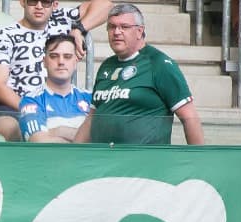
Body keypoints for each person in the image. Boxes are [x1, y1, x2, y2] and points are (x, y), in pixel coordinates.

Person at [74, 3, 203, 145]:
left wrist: (197, 160)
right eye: (112, 27)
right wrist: (74, 155)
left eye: (124, 27)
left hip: (144, 163)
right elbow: (92, 117)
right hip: (104, 161)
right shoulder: (106, 66)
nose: (116, 32)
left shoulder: (159, 64)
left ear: (140, 31)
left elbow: (189, 117)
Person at [0, 0, 109, 141]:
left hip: (58, 101)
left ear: (54, 5)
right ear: (22, 2)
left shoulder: (62, 20)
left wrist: (79, 28)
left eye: (46, 2)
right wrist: (33, 111)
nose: (39, 6)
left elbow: (105, 5)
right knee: (9, 127)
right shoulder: (3, 36)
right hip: (12, 106)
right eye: (32, 1)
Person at [18, 34, 91, 142]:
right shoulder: (31, 100)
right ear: (44, 62)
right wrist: (82, 137)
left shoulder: (90, 98)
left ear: (75, 61)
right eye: (54, 56)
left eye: (67, 56)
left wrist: (58, 131)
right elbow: (38, 141)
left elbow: (103, 138)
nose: (61, 62)